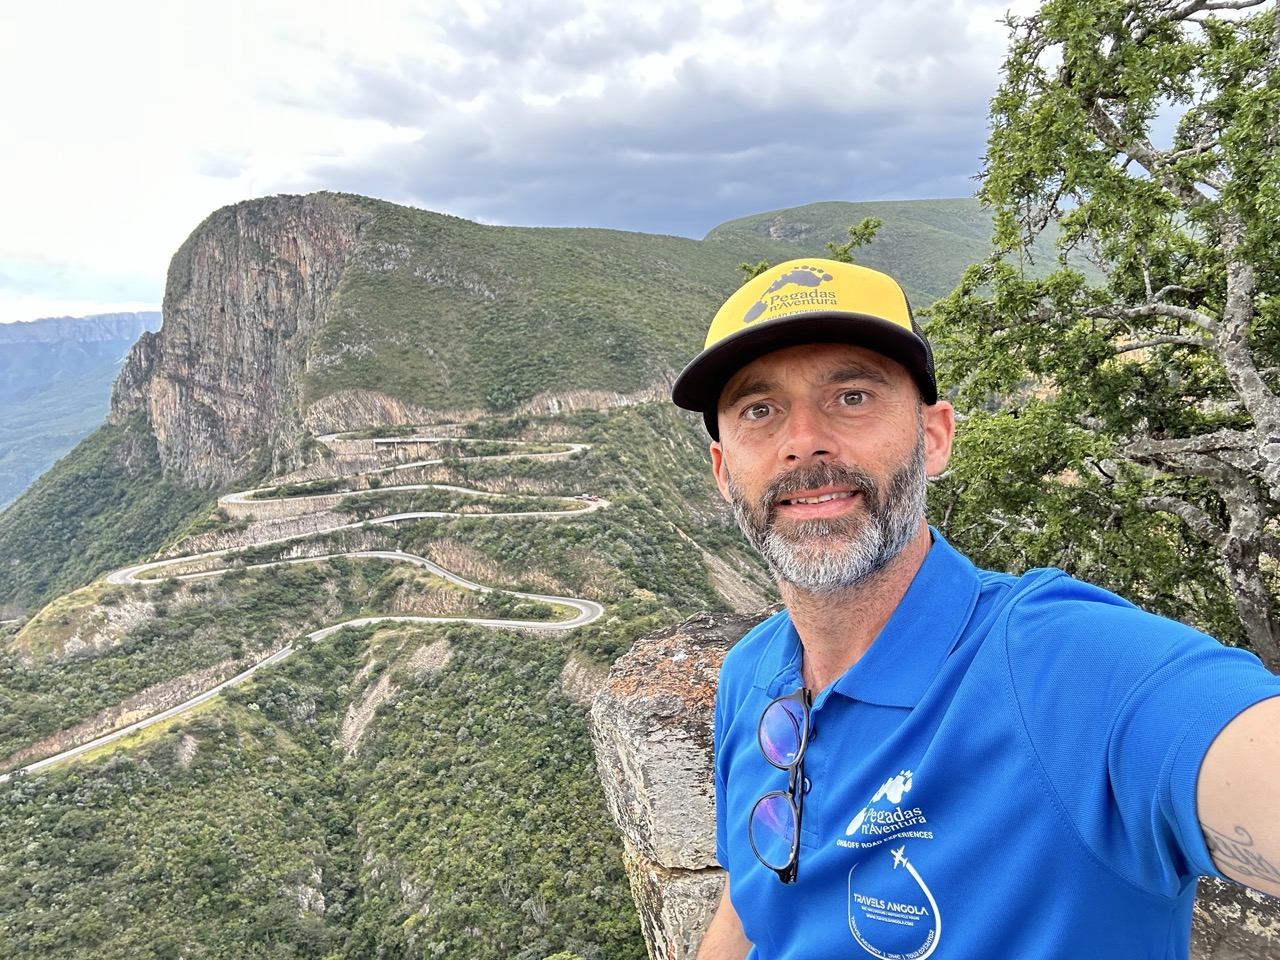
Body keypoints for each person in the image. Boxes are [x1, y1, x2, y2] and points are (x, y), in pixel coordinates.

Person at [670, 258, 1280, 960]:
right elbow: (753, 905)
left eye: (854, 396)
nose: (802, 439)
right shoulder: (750, 675)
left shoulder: (1063, 666)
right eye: (759, 410)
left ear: (933, 438)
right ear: (724, 472)